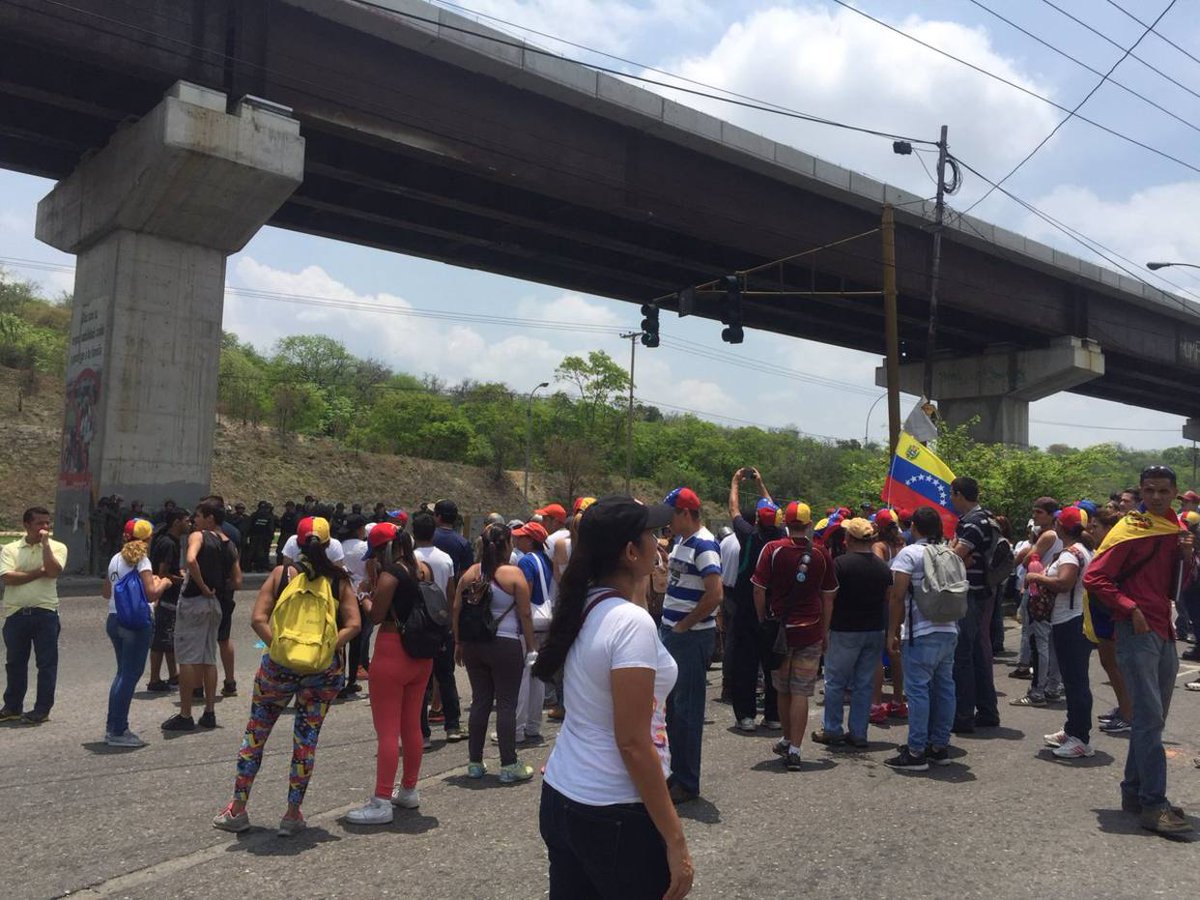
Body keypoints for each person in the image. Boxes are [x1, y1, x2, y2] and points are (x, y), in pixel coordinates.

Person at [534, 495, 693, 900]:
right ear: (629, 551)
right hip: (614, 809)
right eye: (652, 535)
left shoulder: (587, 604)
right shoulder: (630, 623)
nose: (659, 542)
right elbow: (633, 741)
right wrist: (675, 839)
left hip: (564, 795)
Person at [212, 517, 360, 837]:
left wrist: (280, 648)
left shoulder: (281, 575)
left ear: (294, 543)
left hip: (277, 669)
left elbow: (257, 618)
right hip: (322, 672)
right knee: (305, 742)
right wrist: (323, 649)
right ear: (328, 544)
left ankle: (237, 808)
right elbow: (354, 624)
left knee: (255, 736)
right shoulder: (339, 580)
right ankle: (292, 814)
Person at [1084, 465, 1195, 835]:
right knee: (1149, 719)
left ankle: (1134, 793)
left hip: (1164, 628)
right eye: (1150, 491)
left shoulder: (1176, 529)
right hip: (1136, 630)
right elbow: (1094, 577)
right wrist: (1128, 607)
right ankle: (1153, 803)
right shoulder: (1130, 529)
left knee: (1152, 719)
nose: (1157, 497)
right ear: (1142, 492)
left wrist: (1188, 556)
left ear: (1176, 492)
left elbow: (1184, 582)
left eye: (1164, 491)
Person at [346, 528, 434, 825]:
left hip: (392, 650)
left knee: (387, 731)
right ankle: (409, 789)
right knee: (411, 725)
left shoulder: (391, 574)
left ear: (385, 549)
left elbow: (376, 616)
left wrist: (364, 597)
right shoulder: (423, 569)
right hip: (422, 655)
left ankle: (381, 800)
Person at [752, 501, 837, 771]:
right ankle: (796, 749)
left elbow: (758, 589)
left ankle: (788, 739)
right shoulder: (822, 554)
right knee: (801, 690)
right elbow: (828, 597)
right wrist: (825, 631)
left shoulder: (773, 550)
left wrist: (763, 620)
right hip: (810, 629)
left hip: (780, 630)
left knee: (782, 687)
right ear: (810, 524)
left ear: (785, 524)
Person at [454, 523, 538, 783]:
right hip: (506, 644)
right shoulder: (513, 575)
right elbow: (525, 613)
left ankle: (475, 762)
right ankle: (508, 764)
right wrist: (532, 646)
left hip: (474, 645)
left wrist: (458, 643)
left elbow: (456, 608)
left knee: (480, 701)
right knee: (506, 704)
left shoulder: (470, 573)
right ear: (507, 544)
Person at [885, 506, 959, 771]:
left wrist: (893, 631)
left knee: (917, 692)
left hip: (920, 632)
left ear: (915, 527)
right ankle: (939, 746)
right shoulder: (948, 552)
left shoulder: (909, 554)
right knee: (944, 689)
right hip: (949, 629)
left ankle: (916, 752)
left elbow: (897, 595)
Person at [660, 487, 723, 800]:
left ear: (685, 513)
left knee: (686, 710)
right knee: (672, 708)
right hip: (674, 632)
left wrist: (685, 625)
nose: (667, 520)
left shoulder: (704, 543)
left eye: (671, 514)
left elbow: (715, 594)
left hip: (689, 636)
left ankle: (687, 781)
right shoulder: (682, 541)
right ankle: (674, 775)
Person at [163, 500, 242, 732]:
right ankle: (209, 712)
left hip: (195, 600)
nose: (194, 521)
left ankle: (185, 714)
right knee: (208, 657)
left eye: (197, 516)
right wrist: (217, 587)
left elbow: (190, 560)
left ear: (209, 518)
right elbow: (237, 581)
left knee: (187, 658)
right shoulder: (229, 545)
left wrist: (202, 584)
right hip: (215, 604)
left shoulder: (198, 537)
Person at [813, 518, 891, 749]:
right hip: (874, 629)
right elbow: (888, 597)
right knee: (864, 684)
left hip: (845, 629)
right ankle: (859, 732)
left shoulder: (840, 565)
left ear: (848, 540)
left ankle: (833, 729)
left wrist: (823, 630)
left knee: (835, 682)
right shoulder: (882, 567)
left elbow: (829, 598)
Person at [1026, 507, 1095, 759]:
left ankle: (1081, 738)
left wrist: (1037, 577)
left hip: (1070, 621)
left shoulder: (1070, 554)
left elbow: (1064, 583)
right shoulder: (1085, 550)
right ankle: (1072, 729)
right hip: (1077, 619)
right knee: (1075, 679)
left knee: (1076, 682)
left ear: (1060, 526)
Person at [725, 468, 784, 732]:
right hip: (773, 610)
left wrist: (736, 482)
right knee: (772, 665)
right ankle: (773, 716)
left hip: (748, 608)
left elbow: (734, 510)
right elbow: (774, 510)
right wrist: (762, 484)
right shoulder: (782, 537)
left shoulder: (750, 536)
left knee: (745, 664)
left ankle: (746, 716)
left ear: (758, 520)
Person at [102, 519, 170, 747]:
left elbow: (106, 591)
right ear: (148, 539)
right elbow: (151, 594)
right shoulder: (143, 560)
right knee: (129, 676)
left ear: (125, 536)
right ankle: (118, 731)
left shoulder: (115, 558)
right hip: (136, 622)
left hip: (114, 618)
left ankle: (113, 726)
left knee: (122, 675)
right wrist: (164, 583)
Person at [0, 507, 68, 725]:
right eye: (40, 523)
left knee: (46, 664)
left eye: (48, 523)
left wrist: (46, 545)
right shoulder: (10, 549)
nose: (45, 528)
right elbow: (9, 578)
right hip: (16, 614)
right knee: (15, 663)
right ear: (26, 525)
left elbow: (54, 571)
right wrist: (40, 572)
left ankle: (42, 709)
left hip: (45, 613)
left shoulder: (57, 547)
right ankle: (12, 706)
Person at [948, 477, 1000, 734]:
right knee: (977, 653)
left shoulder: (973, 523)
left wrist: (952, 553)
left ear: (959, 494)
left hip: (969, 593)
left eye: (952, 494)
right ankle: (987, 710)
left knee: (963, 656)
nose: (950, 499)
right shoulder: (986, 518)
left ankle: (963, 715)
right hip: (981, 592)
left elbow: (953, 557)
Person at [412, 513, 463, 744]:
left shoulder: (409, 559)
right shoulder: (445, 559)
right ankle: (452, 726)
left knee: (420, 680)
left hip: (419, 625)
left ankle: (422, 732)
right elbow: (452, 595)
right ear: (433, 533)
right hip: (441, 623)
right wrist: (453, 626)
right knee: (446, 675)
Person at [1011, 498, 1063, 708]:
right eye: (1034, 511)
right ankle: (1052, 686)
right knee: (1051, 643)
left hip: (1039, 590)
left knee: (1038, 640)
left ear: (1052, 515)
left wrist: (1031, 548)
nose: (1035, 515)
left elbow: (1028, 559)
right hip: (1053, 593)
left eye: (1040, 512)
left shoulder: (1048, 535)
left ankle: (1038, 691)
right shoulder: (1061, 536)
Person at [513, 521, 555, 744]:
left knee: (521, 678)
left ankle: (517, 730)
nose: (517, 540)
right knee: (537, 675)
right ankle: (532, 725)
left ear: (530, 540)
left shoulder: (525, 561)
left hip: (530, 622)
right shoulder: (545, 560)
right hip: (546, 617)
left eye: (521, 537)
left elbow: (524, 596)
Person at [146, 508, 189, 692]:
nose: (189, 524)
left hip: (167, 596)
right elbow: (162, 573)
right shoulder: (169, 544)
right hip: (165, 596)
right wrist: (185, 579)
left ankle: (173, 675)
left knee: (169, 637)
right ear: (177, 522)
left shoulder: (169, 541)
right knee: (160, 639)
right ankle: (154, 679)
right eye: (186, 520)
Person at [276, 500, 299, 566]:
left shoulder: (295, 516)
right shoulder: (286, 515)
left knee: (289, 551)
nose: (287, 509)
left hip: (290, 534)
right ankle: (280, 564)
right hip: (284, 535)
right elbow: (281, 524)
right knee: (280, 551)